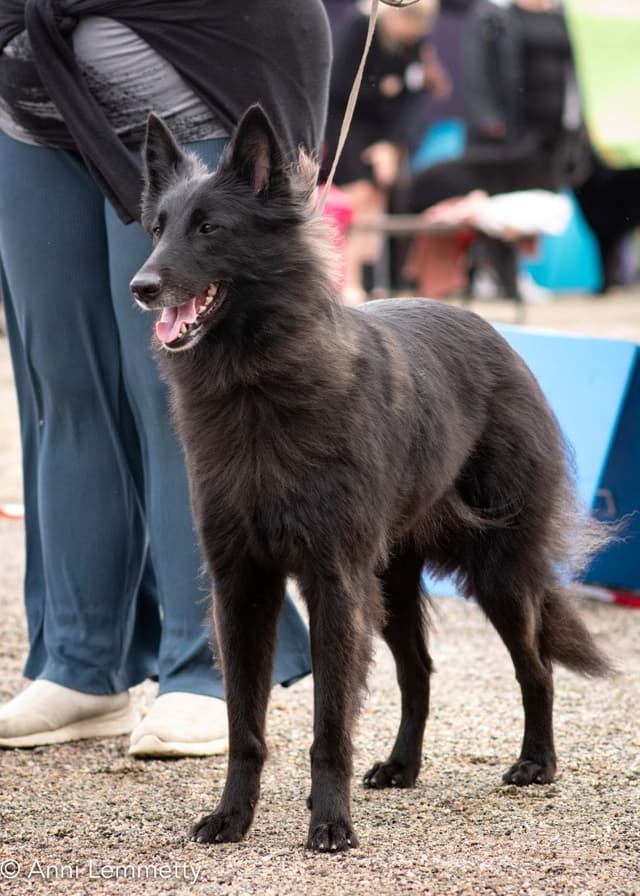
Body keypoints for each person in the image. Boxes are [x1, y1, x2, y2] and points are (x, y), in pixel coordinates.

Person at [0, 1, 331, 755]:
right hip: (30, 98)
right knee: (63, 391)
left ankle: (206, 668)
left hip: (197, 76)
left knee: (183, 392)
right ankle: (82, 664)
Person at [324, 0, 447, 302]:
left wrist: (392, 145)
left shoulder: (415, 41)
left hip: (385, 134)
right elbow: (339, 87)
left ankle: (371, 281)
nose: (411, 32)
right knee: (358, 196)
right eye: (406, 23)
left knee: (378, 197)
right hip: (347, 125)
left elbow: (413, 99)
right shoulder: (360, 27)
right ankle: (347, 282)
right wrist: (384, 88)